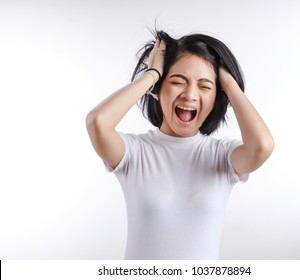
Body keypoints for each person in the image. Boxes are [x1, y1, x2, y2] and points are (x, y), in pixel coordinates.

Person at [86, 30, 274, 260]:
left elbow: (262, 146)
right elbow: (98, 123)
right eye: (177, 81)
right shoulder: (135, 152)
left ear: (218, 97)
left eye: (204, 87)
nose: (190, 94)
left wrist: (228, 82)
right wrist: (152, 74)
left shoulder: (222, 156)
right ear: (159, 89)